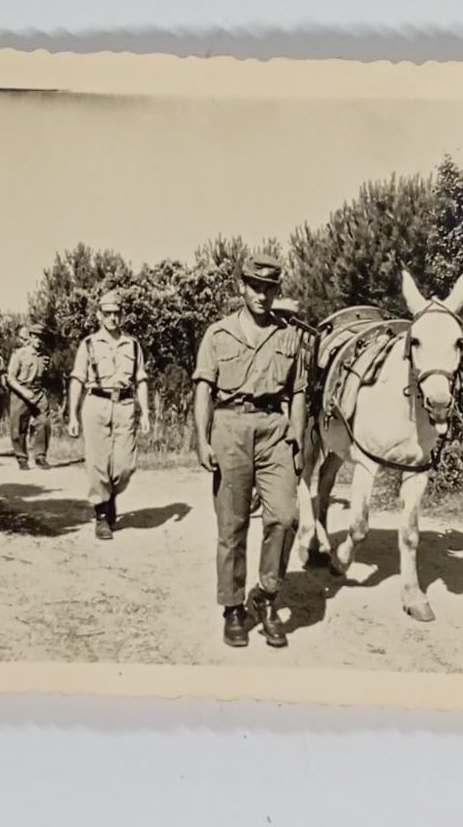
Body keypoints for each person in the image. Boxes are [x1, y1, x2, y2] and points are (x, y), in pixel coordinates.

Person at [193, 255, 306, 649]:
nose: (262, 295)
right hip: (230, 427)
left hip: (275, 430)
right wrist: (202, 439)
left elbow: (297, 393)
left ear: (277, 291)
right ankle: (233, 608)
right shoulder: (218, 334)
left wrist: (298, 438)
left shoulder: (288, 336)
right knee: (232, 525)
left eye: (269, 288)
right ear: (242, 287)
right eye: (255, 286)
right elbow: (204, 389)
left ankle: (267, 596)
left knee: (285, 517)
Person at [68, 290, 151, 540]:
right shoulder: (89, 344)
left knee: (125, 466)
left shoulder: (133, 344)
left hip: (125, 406)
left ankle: (111, 494)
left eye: (117, 313)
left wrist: (145, 412)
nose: (113, 318)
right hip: (96, 404)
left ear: (122, 315)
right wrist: (72, 414)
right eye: (108, 313)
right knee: (97, 463)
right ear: (99, 315)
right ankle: (102, 514)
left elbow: (141, 380)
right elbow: (77, 379)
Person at [6, 323, 51, 471]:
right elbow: (10, 378)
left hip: (38, 392)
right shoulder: (19, 354)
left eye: (42, 338)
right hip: (21, 391)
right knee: (19, 425)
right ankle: (22, 458)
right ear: (30, 337)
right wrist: (23, 391)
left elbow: (46, 376)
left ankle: (40, 456)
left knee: (43, 423)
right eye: (36, 337)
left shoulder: (45, 356)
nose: (39, 340)